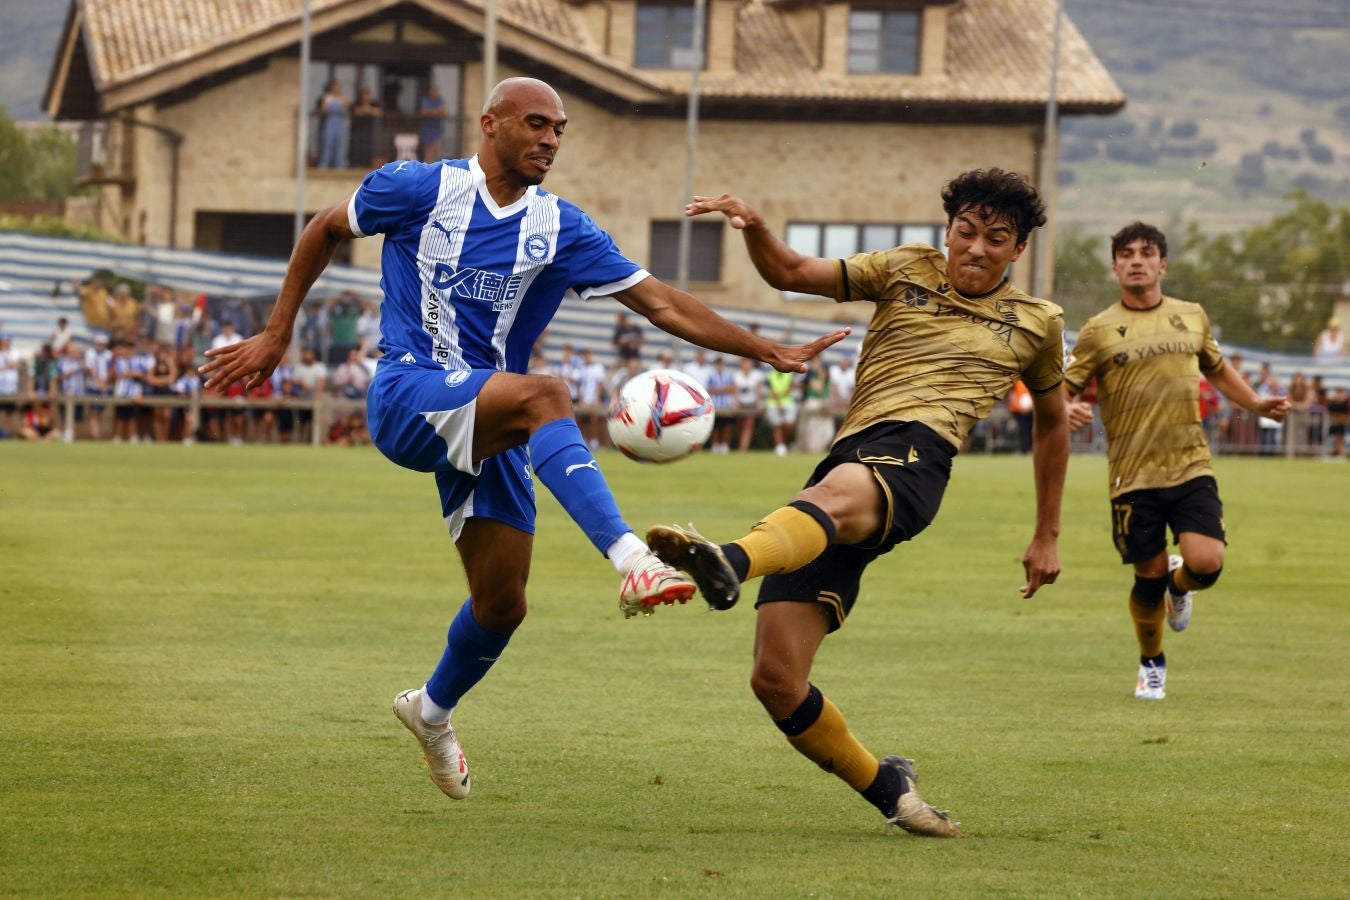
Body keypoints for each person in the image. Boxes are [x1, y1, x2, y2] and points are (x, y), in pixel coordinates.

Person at [200, 77, 847, 803]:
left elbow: (661, 300)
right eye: (536, 124)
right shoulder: (417, 187)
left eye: (560, 129)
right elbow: (325, 227)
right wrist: (278, 331)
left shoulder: (562, 227)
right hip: (409, 392)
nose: (550, 139)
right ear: (492, 124)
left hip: (491, 420)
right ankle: (633, 560)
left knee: (501, 603)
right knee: (547, 393)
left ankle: (431, 712)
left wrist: (771, 350)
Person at [646, 168, 1069, 838]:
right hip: (847, 463)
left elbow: (1052, 423)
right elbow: (788, 272)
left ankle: (726, 558)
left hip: (918, 459)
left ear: (1018, 249)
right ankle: (889, 787)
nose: (977, 248)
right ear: (949, 230)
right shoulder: (902, 268)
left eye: (996, 238)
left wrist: (1047, 532)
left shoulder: (1038, 324)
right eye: (966, 231)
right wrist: (756, 228)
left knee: (836, 494)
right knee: (776, 678)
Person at [1064, 222, 1290, 702]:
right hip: (1131, 474)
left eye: (1147, 253)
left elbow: (1217, 367)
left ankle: (1180, 582)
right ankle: (1151, 663)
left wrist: (1254, 403)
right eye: (1127, 254)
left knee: (1207, 563)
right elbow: (1060, 389)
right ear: (1115, 266)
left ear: (1163, 264)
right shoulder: (1098, 330)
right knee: (1145, 579)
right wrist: (1066, 408)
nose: (1137, 260)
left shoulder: (1191, 316)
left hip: (1190, 464)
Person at [316, 80, 350, 168]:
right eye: (334, 86)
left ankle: (340, 164)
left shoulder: (343, 98)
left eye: (337, 86)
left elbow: (347, 107)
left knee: (341, 144)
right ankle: (324, 164)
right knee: (328, 143)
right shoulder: (327, 97)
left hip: (341, 122)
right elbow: (324, 110)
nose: (336, 88)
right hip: (330, 121)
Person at [419, 84, 447, 162]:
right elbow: (422, 112)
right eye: (431, 92)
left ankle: (433, 164)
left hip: (437, 129)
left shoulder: (440, 100)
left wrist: (431, 112)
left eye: (435, 92)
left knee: (435, 148)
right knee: (427, 150)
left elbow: (443, 112)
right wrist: (434, 112)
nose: (433, 94)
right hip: (427, 129)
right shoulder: (425, 100)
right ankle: (427, 164)